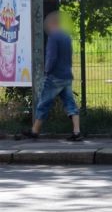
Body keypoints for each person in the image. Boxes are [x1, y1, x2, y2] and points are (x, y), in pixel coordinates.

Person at [17, 12, 82, 141]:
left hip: (55, 76)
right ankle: (77, 131)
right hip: (66, 76)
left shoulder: (53, 37)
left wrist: (47, 71)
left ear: (52, 23)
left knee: (43, 103)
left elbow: (51, 57)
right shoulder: (66, 36)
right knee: (70, 104)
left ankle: (34, 131)